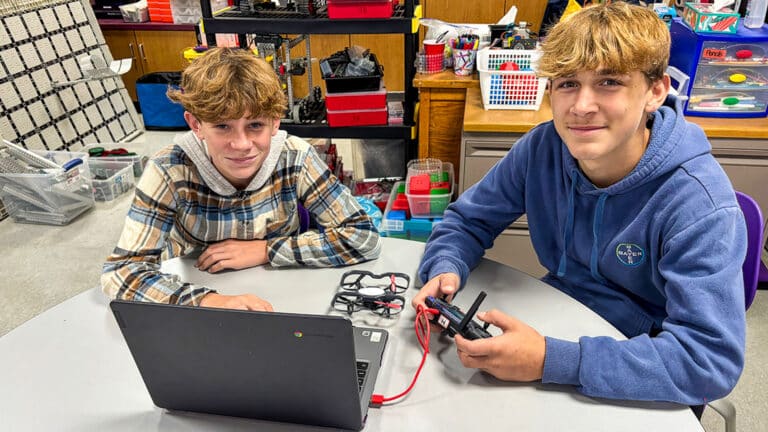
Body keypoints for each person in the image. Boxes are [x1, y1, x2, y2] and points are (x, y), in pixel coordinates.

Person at [412, 2, 747, 409]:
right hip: (558, 322)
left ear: (655, 91)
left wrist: (551, 360)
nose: (581, 106)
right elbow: (466, 221)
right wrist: (446, 266)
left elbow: (707, 361)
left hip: (648, 367)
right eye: (567, 83)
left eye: (608, 82)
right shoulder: (542, 149)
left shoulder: (700, 204)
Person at [102, 47, 380, 311]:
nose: (241, 144)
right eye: (223, 126)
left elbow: (363, 236)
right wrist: (209, 302)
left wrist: (266, 250)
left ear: (275, 122)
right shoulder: (169, 169)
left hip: (284, 292)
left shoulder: (296, 157)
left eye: (255, 125)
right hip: (192, 288)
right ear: (196, 124)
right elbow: (122, 271)